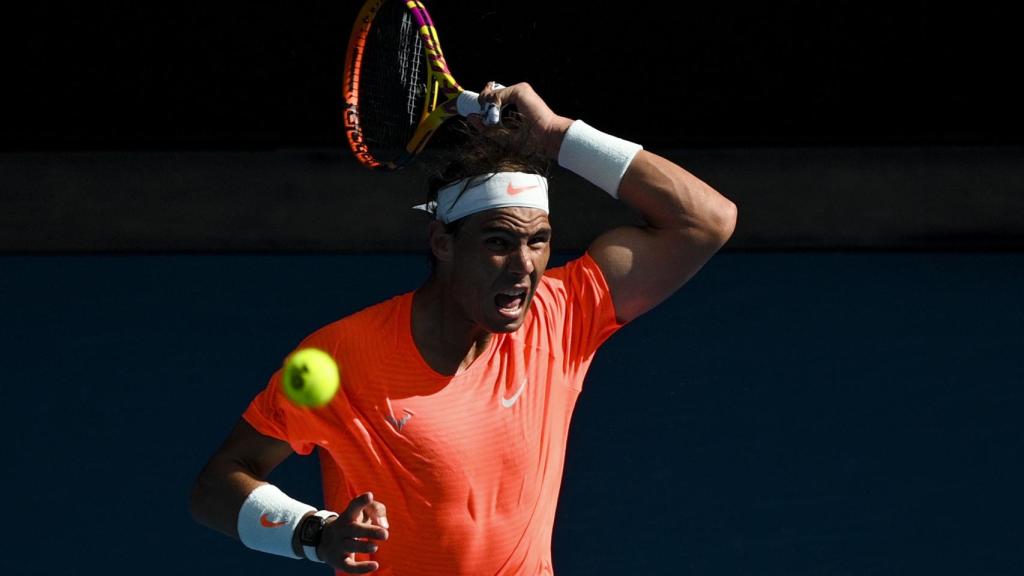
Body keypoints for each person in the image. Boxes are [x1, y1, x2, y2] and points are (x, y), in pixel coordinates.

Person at [190, 82, 737, 575]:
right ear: (444, 244)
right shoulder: (339, 356)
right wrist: (315, 534)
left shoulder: (561, 314)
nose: (524, 264)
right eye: (498, 242)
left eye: (539, 240)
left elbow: (706, 220)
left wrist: (555, 136)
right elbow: (218, 484)